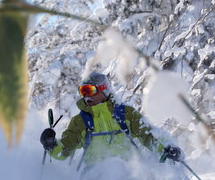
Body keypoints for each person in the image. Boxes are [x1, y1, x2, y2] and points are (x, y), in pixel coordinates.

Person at [40, 72, 183, 168]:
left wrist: (166, 148)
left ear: (104, 90)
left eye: (89, 90)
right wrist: (51, 145)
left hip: (129, 174)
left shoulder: (125, 114)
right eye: (82, 92)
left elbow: (148, 136)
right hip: (95, 178)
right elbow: (64, 151)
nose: (85, 96)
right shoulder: (80, 121)